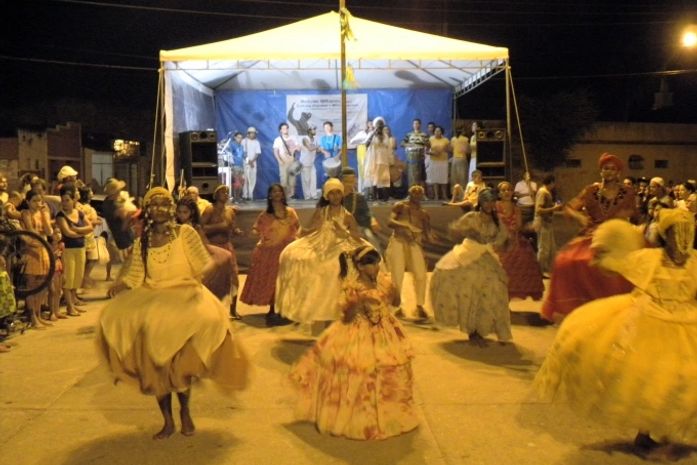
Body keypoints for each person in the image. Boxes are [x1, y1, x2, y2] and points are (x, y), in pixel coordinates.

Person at [535, 212, 697, 461]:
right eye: (677, 235)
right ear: (666, 236)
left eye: (687, 235)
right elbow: (615, 262)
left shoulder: (695, 262)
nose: (682, 242)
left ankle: (668, 426)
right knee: (650, 376)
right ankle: (645, 433)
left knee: (682, 378)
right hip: (650, 320)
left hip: (687, 322)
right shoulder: (648, 259)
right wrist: (602, 251)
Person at [98, 187, 248, 440]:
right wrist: (120, 284)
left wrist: (194, 283)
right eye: (152, 205)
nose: (158, 209)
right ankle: (167, 421)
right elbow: (135, 275)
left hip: (183, 300)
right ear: (146, 210)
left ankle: (185, 413)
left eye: (163, 204)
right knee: (155, 371)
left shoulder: (185, 233)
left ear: (171, 208)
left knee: (180, 370)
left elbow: (204, 264)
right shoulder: (142, 241)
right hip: (153, 302)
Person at [289, 245, 418, 440]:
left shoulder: (384, 282)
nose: (374, 268)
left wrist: (395, 289)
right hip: (359, 333)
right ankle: (361, 416)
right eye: (369, 264)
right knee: (360, 371)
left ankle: (390, 413)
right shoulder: (352, 288)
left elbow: (396, 303)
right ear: (358, 266)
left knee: (391, 369)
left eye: (376, 263)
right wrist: (356, 304)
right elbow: (347, 318)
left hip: (386, 330)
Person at [540, 153, 636, 322]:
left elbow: (633, 212)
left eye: (613, 169)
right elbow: (569, 207)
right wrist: (580, 217)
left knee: (623, 267)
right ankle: (579, 306)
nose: (609, 172)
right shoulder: (591, 190)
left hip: (616, 235)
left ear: (619, 173)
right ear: (601, 171)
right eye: (606, 168)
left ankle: (620, 309)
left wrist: (622, 218)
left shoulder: (627, 192)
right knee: (566, 260)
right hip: (591, 233)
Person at [275, 178, 364, 326]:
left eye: (338, 193)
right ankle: (318, 307)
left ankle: (339, 309)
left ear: (342, 195)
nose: (335, 196)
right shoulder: (322, 212)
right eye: (332, 193)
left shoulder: (347, 215)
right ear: (326, 196)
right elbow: (314, 228)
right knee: (295, 256)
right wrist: (303, 232)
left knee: (336, 267)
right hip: (320, 243)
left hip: (341, 245)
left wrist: (344, 232)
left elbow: (357, 236)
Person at [431, 188, 511, 346]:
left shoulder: (497, 221)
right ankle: (473, 330)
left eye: (492, 201)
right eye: (487, 201)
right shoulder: (472, 217)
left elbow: (504, 239)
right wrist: (469, 232)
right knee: (469, 289)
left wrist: (501, 245)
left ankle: (485, 327)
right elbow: (454, 230)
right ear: (480, 202)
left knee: (494, 289)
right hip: (469, 253)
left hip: (486, 256)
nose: (490, 204)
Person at [239, 184, 299, 326]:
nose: (277, 193)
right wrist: (255, 234)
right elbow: (256, 228)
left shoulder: (290, 213)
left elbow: (297, 228)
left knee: (286, 281)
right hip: (269, 253)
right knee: (272, 281)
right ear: (270, 195)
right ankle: (273, 310)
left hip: (286, 252)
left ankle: (283, 310)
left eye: (279, 191)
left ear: (283, 194)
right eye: (274, 191)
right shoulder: (265, 215)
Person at [175, 195, 237, 304]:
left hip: (193, 262)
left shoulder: (195, 227)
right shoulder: (174, 227)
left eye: (185, 212)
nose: (181, 215)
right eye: (179, 212)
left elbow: (203, 244)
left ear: (192, 212)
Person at [385, 185, 433, 321]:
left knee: (420, 273)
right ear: (410, 194)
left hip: (414, 243)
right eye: (414, 193)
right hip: (398, 240)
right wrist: (405, 225)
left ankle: (419, 305)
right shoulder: (400, 206)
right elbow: (390, 221)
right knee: (397, 274)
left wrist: (430, 237)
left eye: (419, 194)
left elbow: (427, 233)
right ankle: (397, 306)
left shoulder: (424, 213)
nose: (417, 196)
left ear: (422, 196)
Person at [496, 181, 544, 300]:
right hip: (499, 239)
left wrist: (530, 227)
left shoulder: (516, 208)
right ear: (499, 193)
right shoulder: (495, 206)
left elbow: (519, 226)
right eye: (503, 190)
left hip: (514, 239)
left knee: (525, 258)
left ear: (513, 192)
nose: (506, 192)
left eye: (509, 190)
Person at [200, 185, 242, 319]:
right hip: (213, 248)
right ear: (215, 195)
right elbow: (200, 228)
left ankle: (233, 310)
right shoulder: (209, 210)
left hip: (227, 247)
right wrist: (218, 227)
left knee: (234, 278)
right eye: (222, 192)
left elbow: (231, 227)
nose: (225, 194)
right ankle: (210, 310)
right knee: (213, 281)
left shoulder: (230, 211)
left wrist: (236, 231)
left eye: (227, 192)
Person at [55, 184, 93, 316]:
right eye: (63, 200)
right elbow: (67, 233)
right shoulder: (60, 215)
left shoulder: (79, 213)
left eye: (67, 200)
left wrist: (77, 230)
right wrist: (82, 232)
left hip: (80, 248)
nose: (65, 203)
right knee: (68, 279)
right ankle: (70, 307)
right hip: (68, 250)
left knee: (77, 278)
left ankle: (73, 304)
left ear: (73, 200)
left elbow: (90, 227)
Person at [21, 190, 53, 327]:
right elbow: (31, 231)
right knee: (31, 284)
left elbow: (49, 231)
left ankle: (39, 314)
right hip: (31, 249)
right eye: (34, 200)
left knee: (43, 283)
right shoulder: (25, 213)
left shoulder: (43, 213)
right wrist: (41, 235)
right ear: (27, 201)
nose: (37, 203)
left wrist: (45, 216)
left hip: (44, 249)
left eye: (39, 200)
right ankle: (32, 316)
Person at [340, 167, 382, 253]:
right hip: (339, 229)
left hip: (358, 227)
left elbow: (367, 212)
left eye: (352, 182)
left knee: (370, 237)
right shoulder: (335, 197)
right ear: (341, 182)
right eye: (346, 181)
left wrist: (372, 220)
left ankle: (378, 261)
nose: (349, 184)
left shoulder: (358, 197)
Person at [534, 174, 563, 276]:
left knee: (550, 248)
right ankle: (540, 271)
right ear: (551, 182)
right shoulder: (543, 192)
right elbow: (539, 209)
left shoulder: (546, 192)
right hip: (543, 222)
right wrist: (554, 209)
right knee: (543, 248)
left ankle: (547, 269)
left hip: (547, 222)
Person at [102, 178, 135, 262]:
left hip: (122, 239)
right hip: (125, 240)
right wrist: (129, 215)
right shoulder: (113, 206)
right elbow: (124, 226)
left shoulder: (106, 202)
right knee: (128, 267)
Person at [363, 117, 392, 202]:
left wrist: (390, 160)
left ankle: (385, 197)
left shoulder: (386, 136)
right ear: (375, 126)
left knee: (384, 178)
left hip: (383, 160)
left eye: (381, 125)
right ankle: (374, 197)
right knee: (374, 178)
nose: (379, 126)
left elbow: (389, 148)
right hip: (374, 160)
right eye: (378, 125)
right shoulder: (371, 134)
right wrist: (373, 133)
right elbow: (366, 145)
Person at [77, 186, 102, 288]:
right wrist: (96, 221)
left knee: (90, 259)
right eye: (90, 191)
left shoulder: (84, 206)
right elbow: (82, 221)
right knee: (91, 258)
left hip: (89, 235)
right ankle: (83, 279)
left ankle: (83, 279)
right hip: (84, 236)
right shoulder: (81, 207)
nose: (92, 193)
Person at [273, 123, 299, 199]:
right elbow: (275, 151)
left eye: (286, 128)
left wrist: (294, 148)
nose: (285, 130)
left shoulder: (293, 138)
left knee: (292, 179)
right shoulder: (277, 140)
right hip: (283, 162)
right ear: (280, 130)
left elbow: (298, 148)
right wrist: (279, 160)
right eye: (283, 128)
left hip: (292, 162)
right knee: (284, 179)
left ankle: (292, 195)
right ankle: (284, 196)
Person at [401, 118, 429, 189]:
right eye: (414, 123)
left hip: (420, 157)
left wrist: (423, 144)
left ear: (420, 125)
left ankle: (422, 193)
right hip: (411, 158)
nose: (416, 125)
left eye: (417, 123)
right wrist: (409, 145)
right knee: (411, 175)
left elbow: (429, 145)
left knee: (421, 175)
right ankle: (411, 193)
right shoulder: (409, 134)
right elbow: (402, 143)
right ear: (413, 125)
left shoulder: (424, 134)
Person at [349, 119, 373, 194]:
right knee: (362, 172)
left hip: (372, 153)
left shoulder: (374, 133)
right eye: (369, 124)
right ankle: (361, 191)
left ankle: (370, 192)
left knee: (370, 173)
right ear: (366, 125)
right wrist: (362, 140)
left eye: (372, 124)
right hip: (362, 152)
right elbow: (352, 141)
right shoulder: (362, 133)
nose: (370, 126)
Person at [427, 126, 450, 201]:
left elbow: (449, 150)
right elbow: (426, 151)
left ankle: (444, 195)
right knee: (435, 179)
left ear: (442, 132)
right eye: (436, 131)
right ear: (434, 132)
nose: (437, 132)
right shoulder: (430, 139)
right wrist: (433, 153)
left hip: (443, 161)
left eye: (439, 131)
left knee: (443, 179)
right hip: (434, 161)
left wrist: (443, 150)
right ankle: (436, 196)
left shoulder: (446, 140)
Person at [299, 125, 319, 200]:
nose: (315, 131)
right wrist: (318, 147)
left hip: (311, 163)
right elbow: (310, 148)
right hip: (304, 163)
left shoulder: (315, 139)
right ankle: (307, 196)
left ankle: (314, 195)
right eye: (313, 129)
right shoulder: (305, 139)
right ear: (309, 130)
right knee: (306, 180)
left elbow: (317, 150)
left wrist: (322, 150)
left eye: (315, 129)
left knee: (314, 179)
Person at [318, 121, 342, 187]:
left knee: (337, 178)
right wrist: (324, 152)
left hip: (336, 160)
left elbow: (342, 148)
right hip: (326, 161)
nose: (327, 128)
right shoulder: (323, 138)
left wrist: (338, 155)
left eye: (328, 126)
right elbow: (321, 148)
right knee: (326, 178)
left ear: (332, 127)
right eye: (325, 127)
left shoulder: (337, 138)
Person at [242, 127, 261, 201]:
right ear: (248, 133)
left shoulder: (257, 142)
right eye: (252, 133)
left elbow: (257, 153)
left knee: (252, 179)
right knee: (245, 179)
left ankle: (250, 195)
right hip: (245, 163)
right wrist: (249, 161)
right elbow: (243, 153)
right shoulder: (244, 141)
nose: (253, 134)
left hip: (253, 163)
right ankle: (244, 195)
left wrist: (252, 161)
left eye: (254, 133)